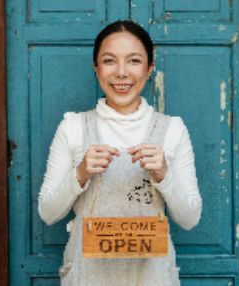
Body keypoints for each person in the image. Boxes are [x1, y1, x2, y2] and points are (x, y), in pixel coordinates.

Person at [38, 20, 202, 286]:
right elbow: (48, 213)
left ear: (149, 69)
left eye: (134, 61)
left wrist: (164, 175)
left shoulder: (173, 129)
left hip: (153, 278)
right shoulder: (73, 127)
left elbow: (190, 218)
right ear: (96, 68)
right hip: (86, 277)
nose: (122, 72)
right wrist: (80, 173)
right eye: (110, 61)